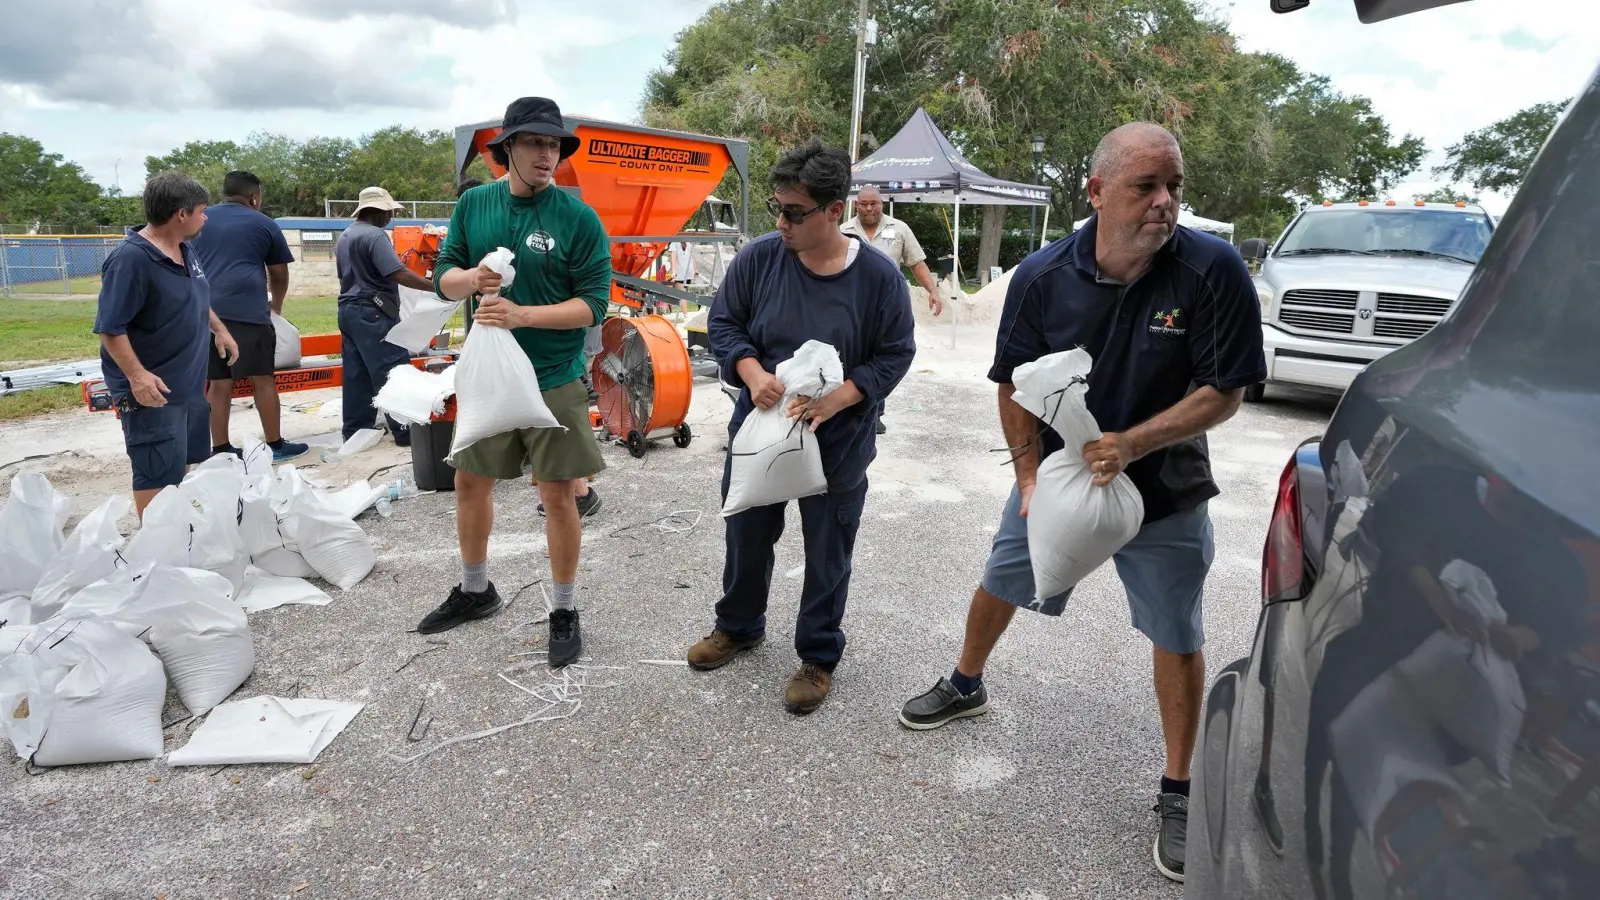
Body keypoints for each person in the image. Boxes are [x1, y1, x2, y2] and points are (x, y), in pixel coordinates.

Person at [895, 122, 1266, 883]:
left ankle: (1178, 788)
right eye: (1145, 186)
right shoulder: (1041, 275)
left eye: (1175, 187)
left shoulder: (1212, 269)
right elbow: (1012, 384)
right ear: (1096, 192)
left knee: (1175, 629)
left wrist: (1133, 443)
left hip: (1164, 490)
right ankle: (966, 683)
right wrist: (1030, 480)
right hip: (1061, 476)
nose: (1165, 203)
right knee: (1003, 575)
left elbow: (1223, 392)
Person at [688, 137, 916, 714]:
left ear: (835, 211)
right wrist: (749, 369)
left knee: (827, 550)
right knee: (745, 535)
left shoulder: (879, 280)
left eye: (795, 212)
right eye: (777, 208)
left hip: (837, 444)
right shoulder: (760, 259)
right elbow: (724, 323)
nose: (782, 223)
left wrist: (843, 396)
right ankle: (738, 626)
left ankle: (817, 656)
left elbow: (896, 352)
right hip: (761, 434)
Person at [421, 96, 612, 668]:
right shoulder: (475, 204)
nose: (546, 154)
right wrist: (468, 279)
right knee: (469, 484)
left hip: (553, 376)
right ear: (507, 149)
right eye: (534, 143)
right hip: (486, 373)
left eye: (553, 144)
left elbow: (595, 306)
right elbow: (442, 278)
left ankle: (564, 609)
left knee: (557, 495)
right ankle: (477, 590)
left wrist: (525, 314)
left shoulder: (577, 217)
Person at [93, 172, 240, 518]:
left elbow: (197, 296)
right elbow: (110, 328)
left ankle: (176, 530)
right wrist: (138, 377)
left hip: (187, 387)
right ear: (181, 214)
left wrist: (219, 329)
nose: (205, 218)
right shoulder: (131, 260)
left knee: (181, 466)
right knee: (155, 471)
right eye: (202, 211)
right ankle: (156, 552)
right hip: (153, 390)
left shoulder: (185, 250)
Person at [193, 170, 308, 462]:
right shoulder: (264, 224)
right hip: (249, 314)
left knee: (218, 383)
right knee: (263, 379)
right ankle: (275, 444)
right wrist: (276, 307)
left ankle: (220, 448)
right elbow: (279, 273)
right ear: (254, 197)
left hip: (207, 314)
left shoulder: (199, 220)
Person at [333, 185, 437, 445]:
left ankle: (356, 432)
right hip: (374, 313)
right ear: (376, 211)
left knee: (357, 374)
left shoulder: (346, 236)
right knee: (393, 370)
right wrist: (436, 285)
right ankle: (405, 431)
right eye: (388, 212)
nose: (390, 217)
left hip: (348, 311)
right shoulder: (375, 236)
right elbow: (398, 273)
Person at [840, 184, 943, 435]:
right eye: (863, 204)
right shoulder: (843, 230)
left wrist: (933, 290)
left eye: (873, 203)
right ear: (856, 205)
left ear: (881, 203)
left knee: (883, 357)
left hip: (888, 305)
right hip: (852, 304)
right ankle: (854, 405)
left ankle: (875, 411)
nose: (868, 208)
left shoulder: (899, 229)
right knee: (854, 354)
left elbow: (916, 262)